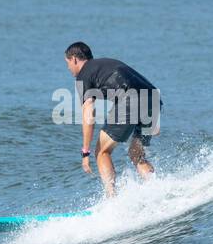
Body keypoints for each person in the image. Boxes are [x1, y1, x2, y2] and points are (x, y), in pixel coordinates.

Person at [64, 42, 162, 197]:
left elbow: (89, 113)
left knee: (102, 152)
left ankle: (112, 200)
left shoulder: (83, 76)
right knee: (136, 154)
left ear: (74, 59)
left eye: (67, 63)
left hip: (131, 100)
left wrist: (85, 152)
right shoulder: (107, 63)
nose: (68, 68)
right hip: (153, 100)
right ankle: (157, 189)